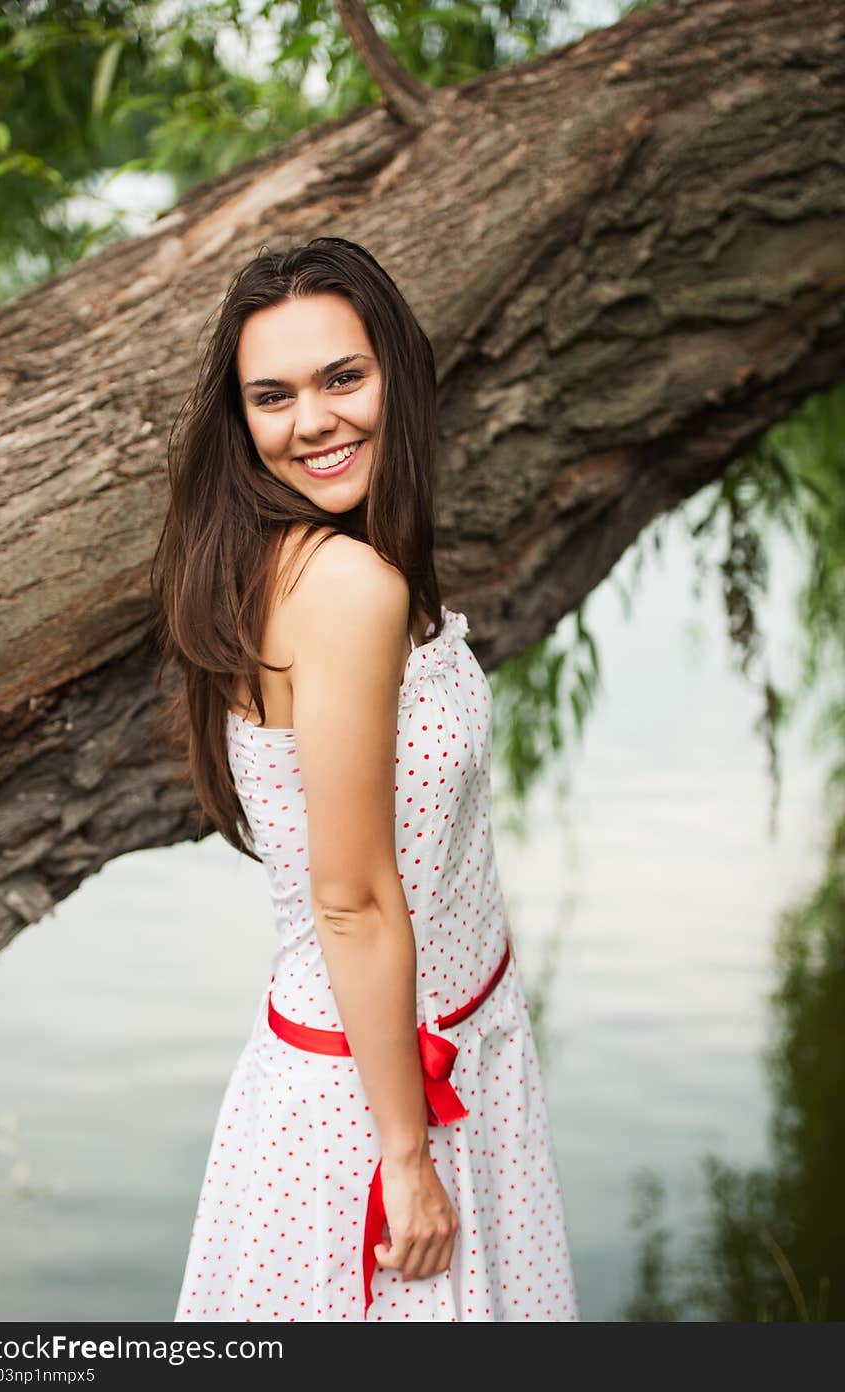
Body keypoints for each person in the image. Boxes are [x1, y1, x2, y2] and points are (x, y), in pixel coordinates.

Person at [150, 236, 580, 1322]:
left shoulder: (305, 558)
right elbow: (348, 898)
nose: (313, 422)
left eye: (343, 377)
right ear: (239, 418)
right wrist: (406, 1152)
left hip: (433, 1051)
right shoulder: (338, 583)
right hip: (372, 1099)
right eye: (273, 396)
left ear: (396, 368)